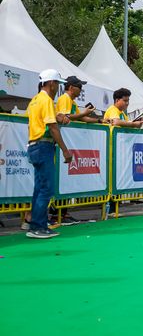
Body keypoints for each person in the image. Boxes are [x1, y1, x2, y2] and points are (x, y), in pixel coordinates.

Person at [25, 69, 73, 239]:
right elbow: (52, 127)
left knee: (39, 188)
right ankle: (38, 226)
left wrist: (57, 115)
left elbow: (42, 119)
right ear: (51, 83)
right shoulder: (46, 100)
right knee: (46, 188)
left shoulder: (35, 100)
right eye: (58, 83)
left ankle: (35, 224)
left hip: (34, 145)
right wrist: (65, 150)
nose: (58, 87)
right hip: (43, 145)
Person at [50, 75, 99, 226]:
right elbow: (65, 117)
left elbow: (81, 118)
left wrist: (98, 120)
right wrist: (84, 113)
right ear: (71, 87)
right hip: (61, 143)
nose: (81, 90)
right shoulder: (65, 98)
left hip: (67, 143)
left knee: (65, 179)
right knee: (60, 179)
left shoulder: (71, 101)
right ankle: (56, 214)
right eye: (79, 87)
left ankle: (63, 213)